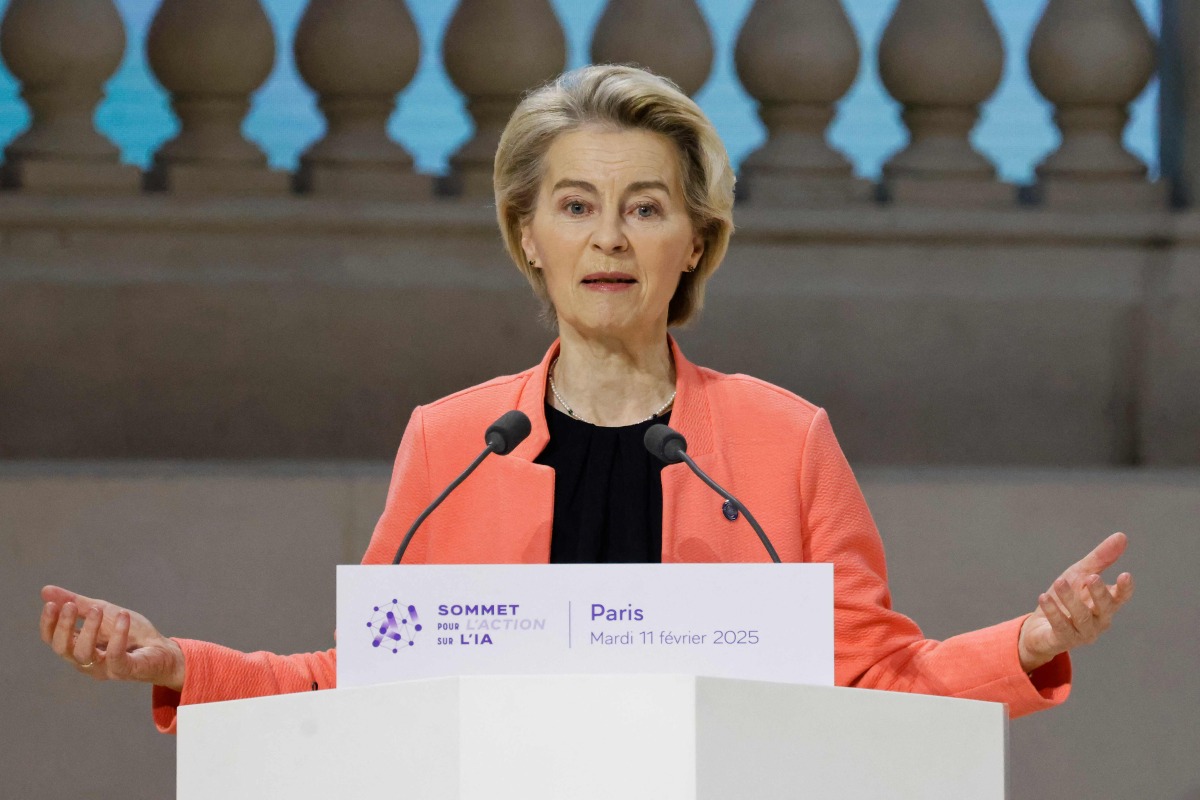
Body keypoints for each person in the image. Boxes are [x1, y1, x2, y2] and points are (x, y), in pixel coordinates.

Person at [39, 65, 1134, 734]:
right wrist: (177, 662)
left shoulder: (781, 440)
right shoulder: (455, 441)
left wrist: (1031, 639)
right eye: (576, 203)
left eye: (646, 205)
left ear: (693, 238)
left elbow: (877, 679)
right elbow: (360, 677)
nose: (609, 235)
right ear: (530, 234)